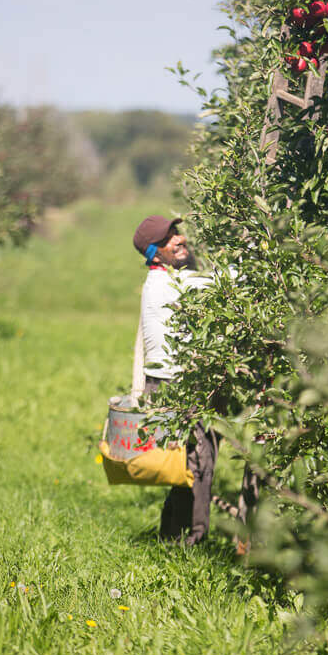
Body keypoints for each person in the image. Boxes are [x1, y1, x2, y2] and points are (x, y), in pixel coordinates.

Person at [132, 214, 217, 545]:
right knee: (198, 465)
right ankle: (191, 542)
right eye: (169, 239)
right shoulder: (167, 285)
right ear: (156, 254)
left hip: (168, 383)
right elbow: (226, 283)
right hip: (175, 386)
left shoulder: (168, 280)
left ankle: (171, 537)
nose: (179, 239)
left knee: (180, 465)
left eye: (178, 233)